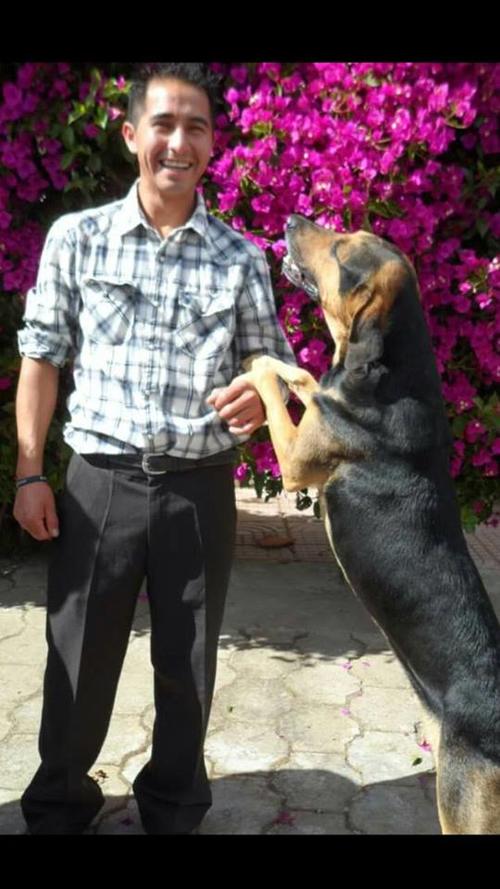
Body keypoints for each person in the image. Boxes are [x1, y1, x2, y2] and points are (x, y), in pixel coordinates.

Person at [14, 63, 295, 835]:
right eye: (164, 124)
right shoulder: (78, 239)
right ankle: (61, 804)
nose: (179, 140)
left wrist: (260, 393)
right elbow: (41, 360)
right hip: (96, 484)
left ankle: (173, 807)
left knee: (189, 662)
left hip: (198, 489)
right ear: (132, 134)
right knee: (78, 659)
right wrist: (30, 472)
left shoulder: (241, 258)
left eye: (196, 126)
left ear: (212, 142)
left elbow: (272, 370)